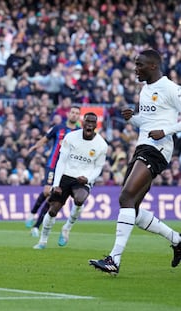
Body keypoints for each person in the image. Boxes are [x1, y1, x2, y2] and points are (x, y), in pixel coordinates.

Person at [89, 49, 181, 275]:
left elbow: (161, 127)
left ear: (152, 66)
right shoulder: (145, 90)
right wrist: (134, 119)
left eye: (139, 65)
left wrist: (166, 130)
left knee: (125, 197)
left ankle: (114, 260)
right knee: (133, 207)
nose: (135, 69)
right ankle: (177, 240)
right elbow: (146, 124)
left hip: (158, 150)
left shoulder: (170, 88)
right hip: (143, 146)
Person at [33, 112, 107, 250]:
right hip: (65, 176)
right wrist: (56, 184)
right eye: (87, 122)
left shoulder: (101, 145)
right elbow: (61, 161)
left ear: (96, 125)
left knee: (79, 200)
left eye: (92, 122)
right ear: (82, 123)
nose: (89, 125)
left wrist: (88, 179)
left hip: (83, 179)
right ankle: (43, 241)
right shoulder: (71, 137)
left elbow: (98, 168)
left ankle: (67, 227)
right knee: (53, 210)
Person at [26, 106, 81, 239]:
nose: (74, 115)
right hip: (53, 165)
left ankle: (36, 226)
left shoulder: (80, 133)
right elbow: (45, 139)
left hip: (67, 169)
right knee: (46, 191)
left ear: (79, 116)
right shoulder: (58, 128)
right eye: (72, 112)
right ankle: (32, 213)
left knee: (52, 198)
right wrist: (35, 146)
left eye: (77, 113)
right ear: (68, 114)